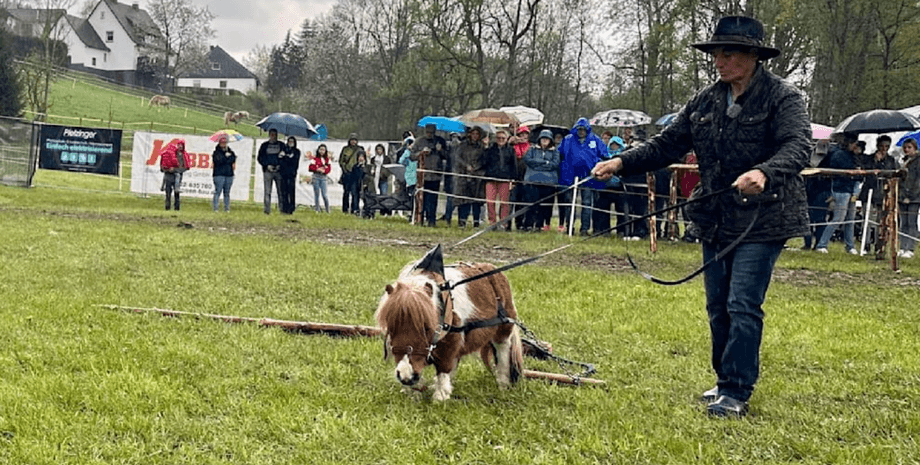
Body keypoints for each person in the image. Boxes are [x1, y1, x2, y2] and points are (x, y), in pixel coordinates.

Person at [592, 16, 812, 417]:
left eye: (729, 53)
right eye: (716, 53)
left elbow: (798, 146)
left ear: (753, 56)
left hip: (764, 217)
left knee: (743, 302)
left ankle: (736, 390)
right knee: (717, 305)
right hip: (716, 214)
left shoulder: (784, 97)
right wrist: (621, 162)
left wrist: (764, 172)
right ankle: (723, 378)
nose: (720, 60)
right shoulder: (706, 100)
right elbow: (668, 144)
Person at [558, 118, 608, 235]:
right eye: (579, 129)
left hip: (588, 176)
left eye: (583, 130)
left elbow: (604, 155)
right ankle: (569, 227)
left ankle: (584, 228)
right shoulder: (568, 140)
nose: (581, 132)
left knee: (587, 203)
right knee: (570, 202)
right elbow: (559, 154)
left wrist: (595, 162)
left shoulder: (595, 140)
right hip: (570, 175)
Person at [815, 134, 860, 254]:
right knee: (838, 219)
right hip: (841, 189)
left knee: (850, 219)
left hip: (851, 189)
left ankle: (850, 246)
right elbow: (848, 170)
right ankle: (822, 244)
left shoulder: (853, 155)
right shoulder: (839, 154)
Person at [858, 135, 897, 256]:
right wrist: (876, 161)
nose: (884, 149)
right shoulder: (869, 158)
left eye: (886, 146)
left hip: (883, 193)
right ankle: (865, 245)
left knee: (881, 223)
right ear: (877, 146)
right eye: (881, 146)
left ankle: (879, 246)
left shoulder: (891, 160)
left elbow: (892, 174)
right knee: (867, 221)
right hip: (869, 191)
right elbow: (865, 172)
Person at [410, 124, 448, 227]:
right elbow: (412, 156)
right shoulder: (419, 141)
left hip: (435, 174)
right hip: (423, 175)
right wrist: (421, 153)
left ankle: (432, 220)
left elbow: (447, 156)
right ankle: (420, 218)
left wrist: (440, 150)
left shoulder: (440, 141)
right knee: (422, 198)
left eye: (431, 132)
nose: (429, 134)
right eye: (428, 132)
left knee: (433, 199)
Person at [522, 129, 560, 231]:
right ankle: (528, 225)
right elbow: (528, 160)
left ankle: (539, 225)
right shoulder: (532, 149)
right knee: (531, 204)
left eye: (547, 139)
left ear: (550, 140)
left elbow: (555, 164)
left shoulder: (555, 151)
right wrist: (545, 162)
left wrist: (538, 164)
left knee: (544, 206)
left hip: (548, 182)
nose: (544, 140)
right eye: (543, 138)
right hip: (532, 181)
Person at [452, 126, 487, 228]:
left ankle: (476, 221)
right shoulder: (463, 145)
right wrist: (466, 165)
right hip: (464, 175)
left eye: (477, 134)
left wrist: (476, 167)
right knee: (463, 200)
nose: (475, 136)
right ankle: (462, 221)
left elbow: (484, 160)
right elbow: (457, 157)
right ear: (470, 134)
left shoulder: (482, 147)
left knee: (476, 201)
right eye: (473, 134)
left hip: (477, 176)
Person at [482, 129, 517, 228]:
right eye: (498, 138)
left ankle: (503, 223)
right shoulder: (490, 149)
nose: (501, 140)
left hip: (505, 179)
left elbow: (513, 165)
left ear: (507, 139)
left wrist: (513, 180)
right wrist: (485, 146)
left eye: (503, 138)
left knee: (504, 202)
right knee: (490, 201)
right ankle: (492, 222)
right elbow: (484, 162)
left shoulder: (510, 150)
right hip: (491, 178)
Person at [898, 138, 920, 259]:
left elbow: (918, 182)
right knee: (903, 222)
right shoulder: (904, 161)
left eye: (909, 147)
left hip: (914, 197)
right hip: (902, 196)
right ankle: (902, 246)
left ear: (915, 148)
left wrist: (910, 196)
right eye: (905, 147)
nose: (907, 150)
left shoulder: (918, 161)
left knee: (912, 222)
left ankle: (910, 247)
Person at [257, 129, 284, 214]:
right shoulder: (264, 145)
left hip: (279, 171)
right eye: (271, 134)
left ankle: (282, 209)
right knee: (267, 191)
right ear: (269, 135)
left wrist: (280, 165)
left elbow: (285, 158)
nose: (273, 136)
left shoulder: (281, 145)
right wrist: (266, 165)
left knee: (281, 191)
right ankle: (267, 210)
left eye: (274, 135)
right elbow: (260, 158)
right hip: (268, 171)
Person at [159, 139, 190, 211]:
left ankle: (177, 207)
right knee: (168, 192)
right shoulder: (172, 154)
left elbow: (185, 167)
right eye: (178, 145)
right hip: (168, 175)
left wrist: (175, 170)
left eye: (181, 145)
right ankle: (167, 207)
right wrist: (167, 169)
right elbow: (163, 166)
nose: (180, 147)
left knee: (176, 192)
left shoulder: (184, 155)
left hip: (177, 176)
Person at [339, 133, 364, 214]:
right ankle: (345, 209)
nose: (353, 142)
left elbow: (363, 160)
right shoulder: (345, 149)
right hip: (347, 173)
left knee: (355, 193)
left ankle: (354, 209)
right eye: (352, 140)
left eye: (355, 140)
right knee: (346, 192)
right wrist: (345, 169)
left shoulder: (360, 149)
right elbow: (341, 161)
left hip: (356, 174)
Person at [211, 135, 236, 212]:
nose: (223, 143)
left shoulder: (230, 151)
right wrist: (227, 158)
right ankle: (215, 208)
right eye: (222, 142)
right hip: (219, 174)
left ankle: (227, 209)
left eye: (225, 142)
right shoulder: (216, 152)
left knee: (227, 192)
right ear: (219, 142)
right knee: (217, 191)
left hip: (229, 174)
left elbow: (233, 158)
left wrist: (227, 158)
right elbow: (219, 161)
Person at [279, 136, 300, 214]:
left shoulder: (297, 151)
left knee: (291, 192)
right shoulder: (283, 150)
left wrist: (286, 157)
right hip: (283, 174)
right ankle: (284, 208)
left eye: (292, 141)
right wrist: (284, 156)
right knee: (284, 191)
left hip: (291, 174)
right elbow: (281, 161)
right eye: (289, 141)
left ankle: (291, 208)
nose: (290, 143)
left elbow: (294, 162)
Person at [309, 144, 332, 213]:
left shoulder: (327, 159)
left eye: (323, 150)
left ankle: (327, 209)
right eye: (320, 149)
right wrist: (317, 169)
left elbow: (329, 169)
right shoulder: (315, 159)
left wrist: (324, 171)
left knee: (324, 194)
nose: (322, 151)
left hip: (323, 177)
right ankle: (317, 209)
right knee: (317, 194)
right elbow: (310, 167)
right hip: (316, 177)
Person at [398, 136, 418, 218]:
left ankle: (416, 212)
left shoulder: (417, 153)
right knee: (410, 195)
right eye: (409, 143)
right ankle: (410, 212)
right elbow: (400, 161)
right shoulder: (406, 152)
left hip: (417, 176)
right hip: (409, 177)